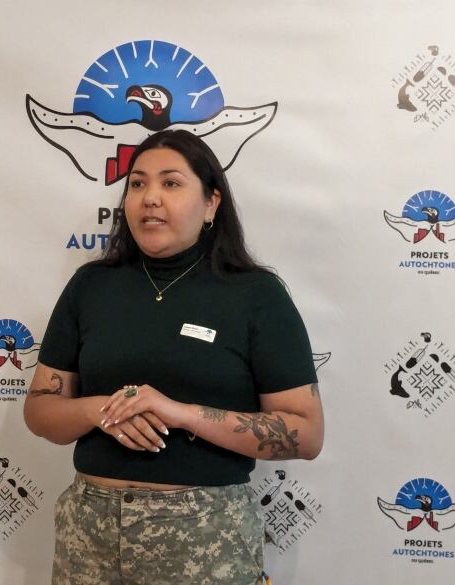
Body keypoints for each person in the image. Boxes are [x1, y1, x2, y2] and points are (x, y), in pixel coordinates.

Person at [23, 129, 324, 585]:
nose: (150, 199)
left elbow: (306, 434)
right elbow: (40, 411)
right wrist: (101, 410)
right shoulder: (91, 287)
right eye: (138, 184)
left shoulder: (255, 296)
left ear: (211, 203)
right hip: (90, 534)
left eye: (171, 183)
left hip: (204, 537)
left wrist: (180, 414)